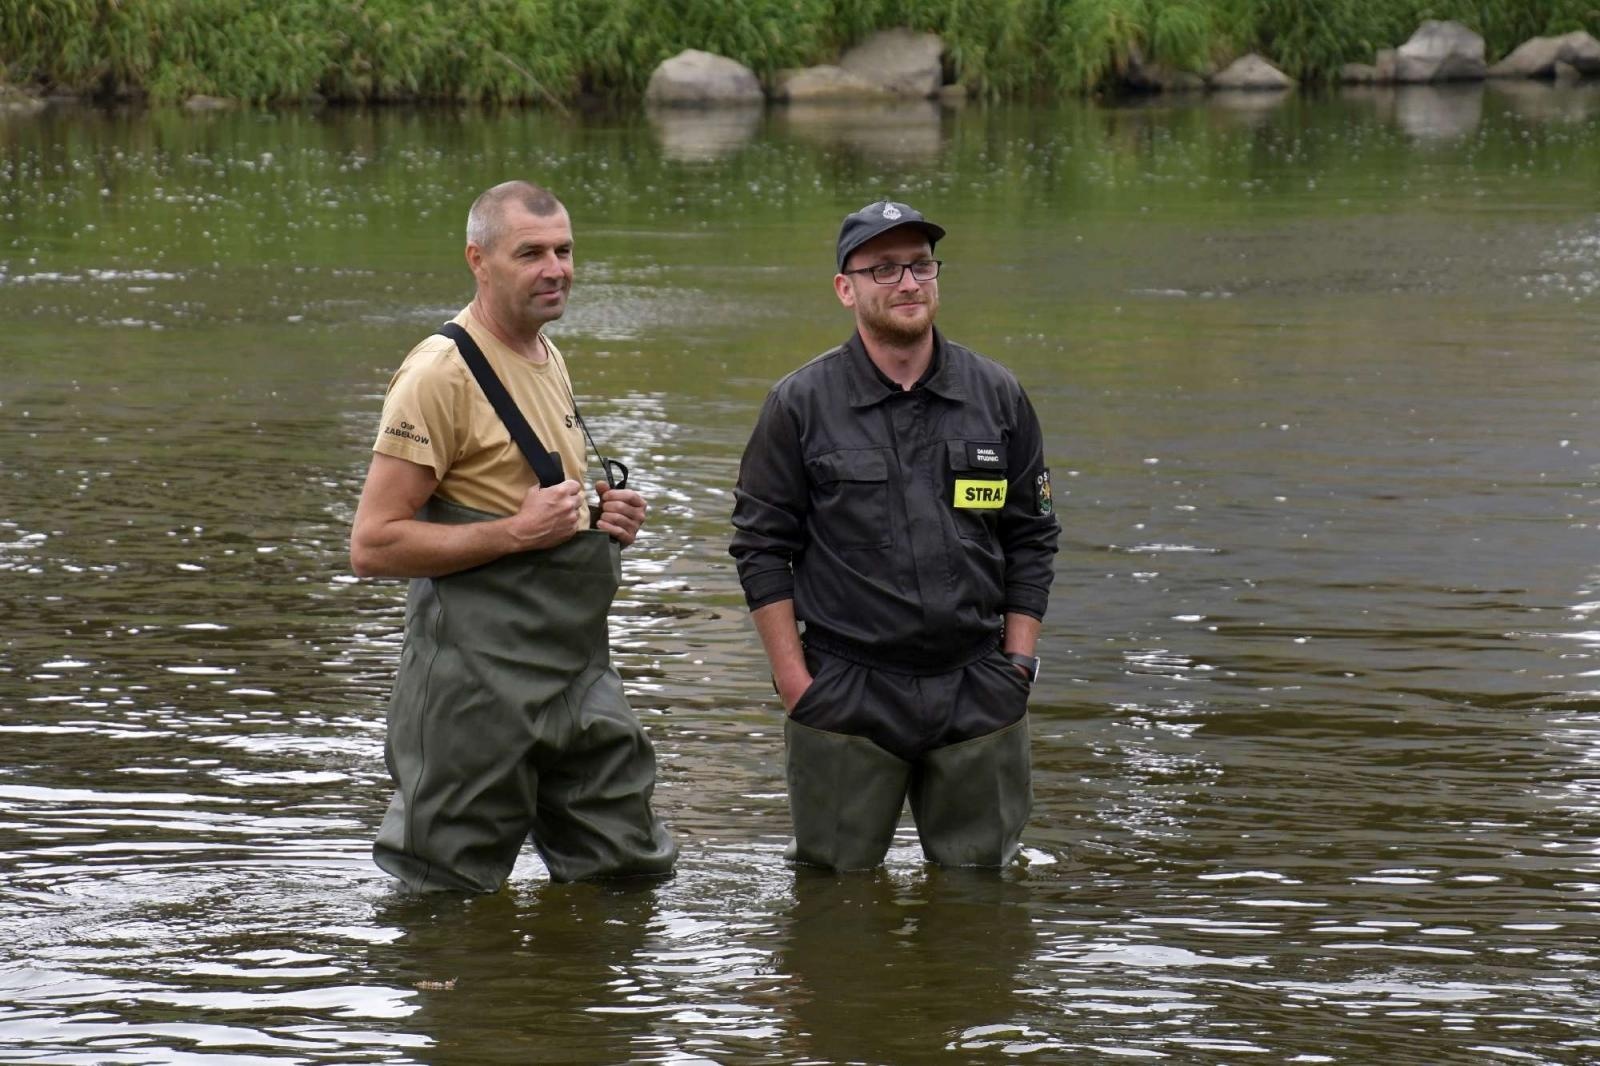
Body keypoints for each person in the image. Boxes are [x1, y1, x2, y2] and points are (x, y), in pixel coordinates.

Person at [350, 180, 676, 893]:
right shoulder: (438, 373)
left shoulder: (546, 354)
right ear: (479, 260)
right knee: (445, 895)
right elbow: (373, 545)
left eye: (564, 250)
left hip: (573, 671)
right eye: (530, 253)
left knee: (626, 873)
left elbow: (524, 500)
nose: (555, 268)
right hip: (473, 683)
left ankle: (587, 1006)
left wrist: (602, 517)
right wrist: (516, 533)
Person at [730, 199, 1059, 871]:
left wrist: (1017, 669)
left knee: (983, 910)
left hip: (978, 690)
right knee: (832, 907)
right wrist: (798, 686)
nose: (908, 283)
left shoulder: (997, 396)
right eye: (884, 269)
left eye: (919, 265)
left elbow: (1032, 537)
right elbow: (761, 550)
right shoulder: (799, 405)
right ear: (845, 288)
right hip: (846, 692)